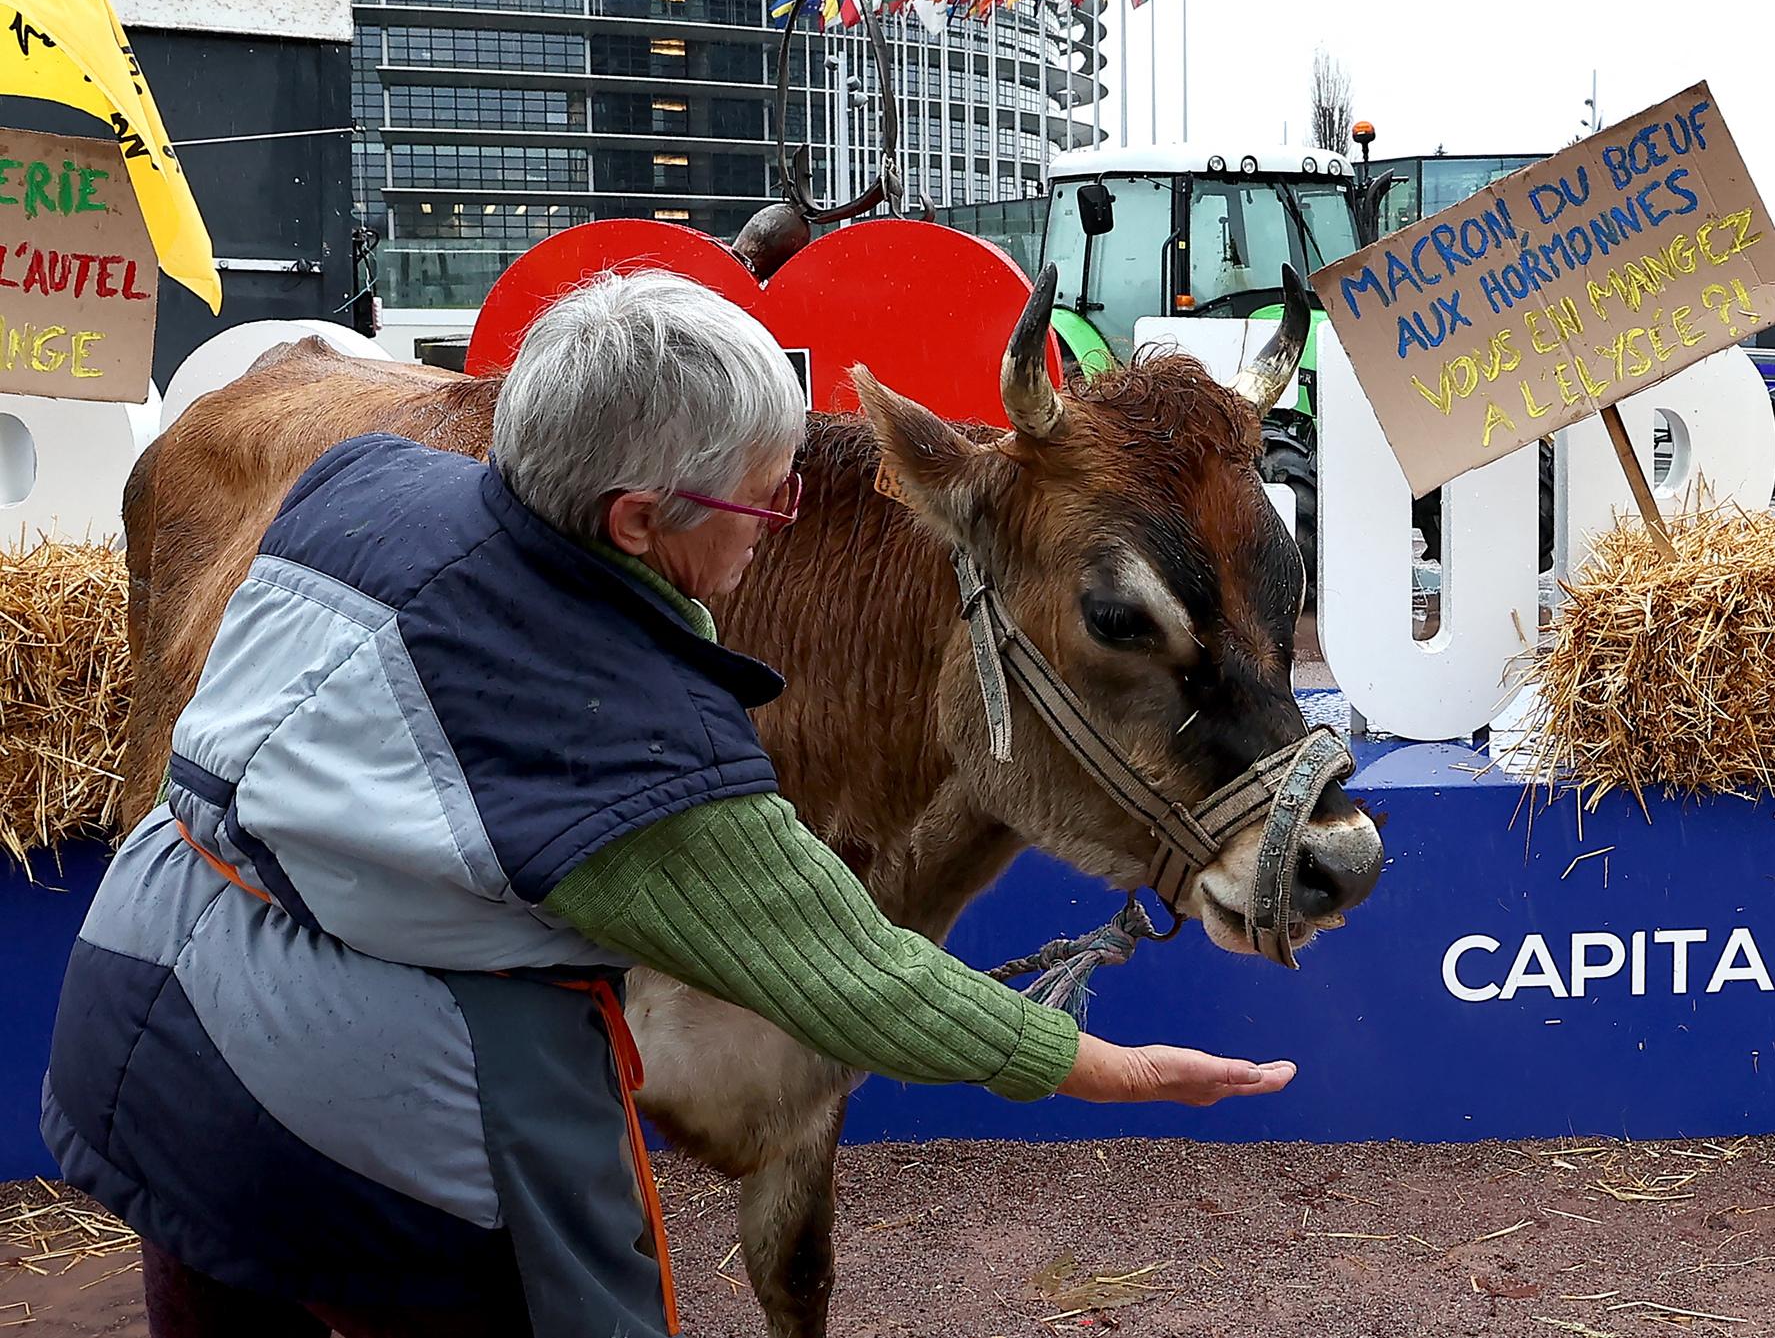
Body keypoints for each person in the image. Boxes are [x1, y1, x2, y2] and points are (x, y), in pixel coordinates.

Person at [44, 272, 1290, 1338]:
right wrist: (1113, 1069)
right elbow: (856, 979)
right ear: (638, 519)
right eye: (770, 498)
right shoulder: (631, 740)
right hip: (298, 1108)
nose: (788, 523)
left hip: (131, 1012)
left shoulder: (358, 480)